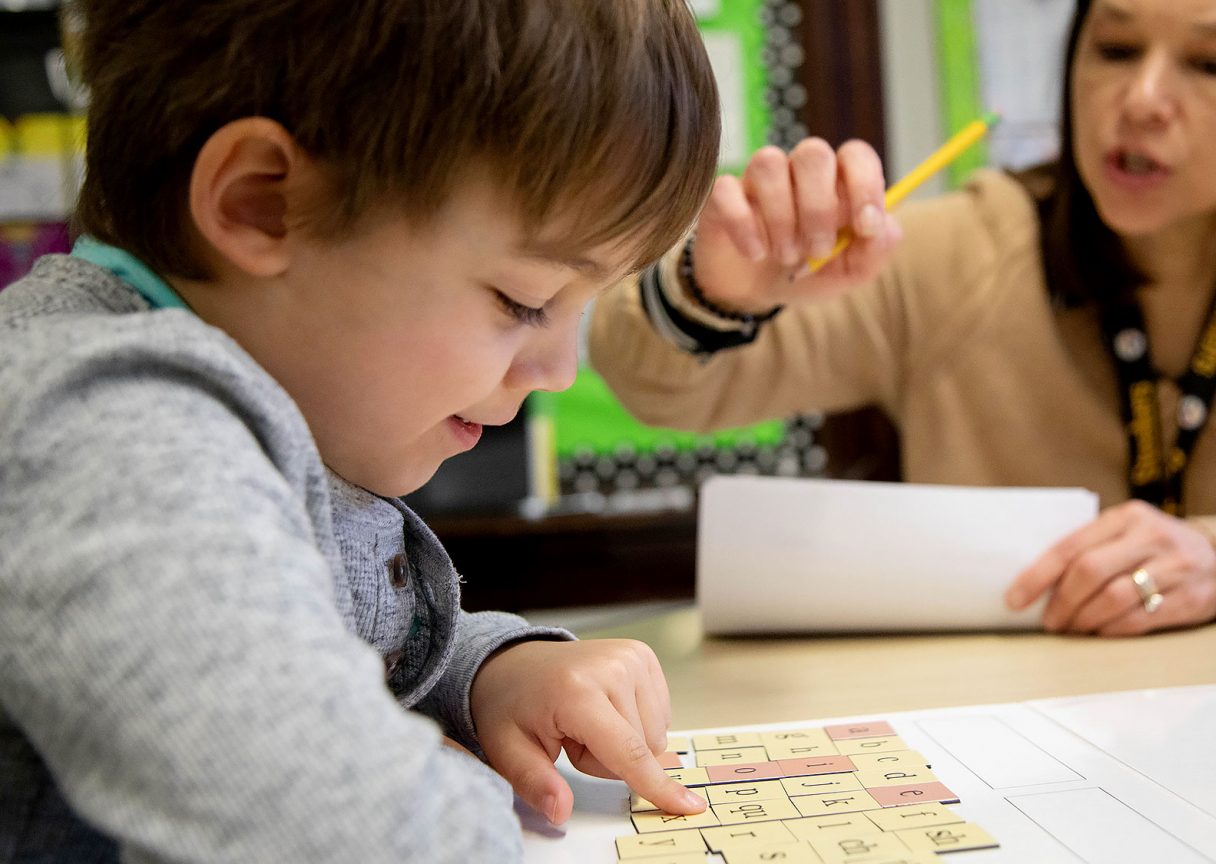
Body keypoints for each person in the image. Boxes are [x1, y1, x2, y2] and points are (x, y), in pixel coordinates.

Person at [0, 0, 718, 860]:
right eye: (523, 299)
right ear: (264, 205)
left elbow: (296, 646)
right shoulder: (105, 431)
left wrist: (481, 674)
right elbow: (325, 819)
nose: (559, 370)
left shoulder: (245, 387)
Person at [590, 0, 1216, 637]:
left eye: (1212, 63)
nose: (1141, 101)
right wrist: (713, 292)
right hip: (1011, 755)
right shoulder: (966, 245)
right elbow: (652, 379)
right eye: (1115, 48)